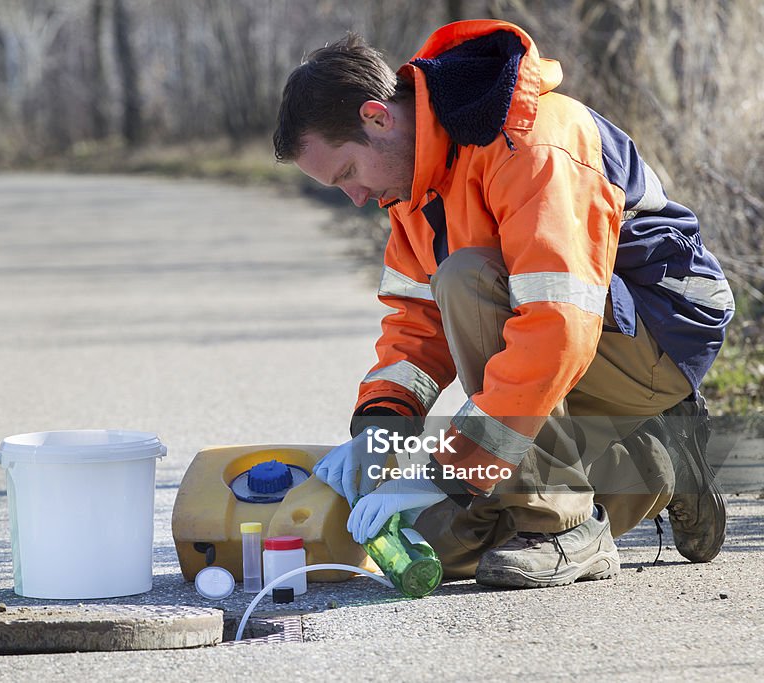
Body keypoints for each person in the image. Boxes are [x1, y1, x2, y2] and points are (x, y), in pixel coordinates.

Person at [273, 19, 733, 588]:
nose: (357, 197)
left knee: (466, 279)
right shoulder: (412, 190)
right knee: (443, 547)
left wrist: (446, 468)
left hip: (659, 328)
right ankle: (655, 463)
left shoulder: (534, 141)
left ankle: (561, 527)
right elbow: (415, 328)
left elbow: (556, 328)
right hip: (568, 348)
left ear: (377, 116)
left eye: (347, 173)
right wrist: (378, 434)